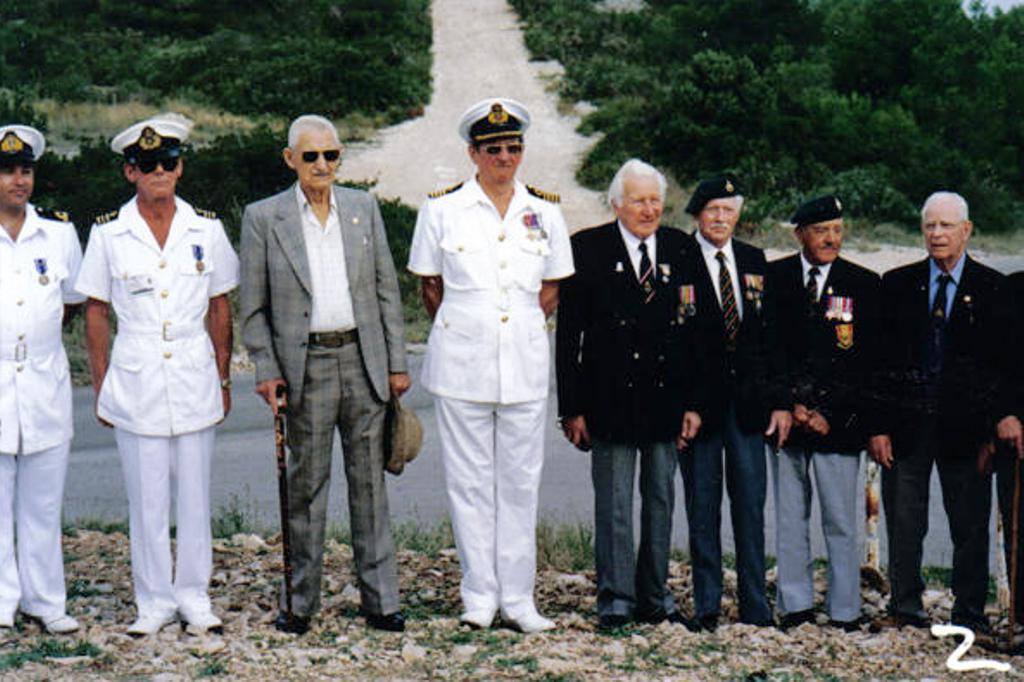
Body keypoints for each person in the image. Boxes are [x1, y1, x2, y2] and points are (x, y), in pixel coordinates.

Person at [407, 98, 573, 633]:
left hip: (522, 361)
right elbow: (430, 286)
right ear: (473, 153)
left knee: (521, 482)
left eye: (513, 147)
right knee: (469, 481)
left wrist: (514, 324)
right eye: (494, 148)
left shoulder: (545, 210)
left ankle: (520, 599)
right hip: (462, 363)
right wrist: (471, 325)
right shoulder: (442, 209)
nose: (505, 157)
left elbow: (551, 289)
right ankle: (479, 595)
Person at [239, 114, 409, 635]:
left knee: (369, 486)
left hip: (362, 361)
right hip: (305, 366)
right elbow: (253, 307)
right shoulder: (264, 218)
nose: (322, 165)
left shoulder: (363, 209)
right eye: (310, 156)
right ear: (290, 159)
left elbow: (386, 291)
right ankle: (300, 601)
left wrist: (397, 362)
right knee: (305, 487)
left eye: (331, 155)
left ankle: (381, 601)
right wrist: (266, 369)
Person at [75, 113, 238, 636]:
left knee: (194, 492)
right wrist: (102, 386)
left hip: (193, 372)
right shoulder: (108, 233)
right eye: (148, 165)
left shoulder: (206, 227)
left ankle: (194, 596)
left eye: (168, 162)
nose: (159, 172)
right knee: (146, 496)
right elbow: (96, 313)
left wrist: (223, 376)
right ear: (130, 173)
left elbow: (220, 307)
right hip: (136, 374)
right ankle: (153, 601)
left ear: (180, 167)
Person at [556, 159, 701, 631]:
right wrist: (571, 408)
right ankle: (615, 598)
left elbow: (695, 334)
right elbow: (569, 336)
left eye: (655, 199)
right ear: (617, 203)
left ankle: (654, 596)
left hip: (665, 402)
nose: (648, 208)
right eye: (638, 199)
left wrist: (693, 403)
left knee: (660, 502)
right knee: (614, 505)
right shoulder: (588, 248)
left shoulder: (681, 249)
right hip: (609, 403)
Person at [869, 191, 1021, 632]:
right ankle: (906, 608)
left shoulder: (994, 288)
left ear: (966, 230)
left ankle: (970, 613)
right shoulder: (896, 284)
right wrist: (877, 427)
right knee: (904, 522)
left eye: (946, 226)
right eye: (930, 226)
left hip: (967, 430)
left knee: (970, 526)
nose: (937, 234)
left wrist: (995, 426)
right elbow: (880, 364)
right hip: (907, 427)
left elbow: (1005, 365)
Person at [678, 174, 790, 630]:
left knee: (749, 507)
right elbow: (675, 342)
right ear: (698, 215)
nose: (720, 218)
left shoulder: (753, 259)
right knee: (702, 508)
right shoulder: (679, 259)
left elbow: (769, 340)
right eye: (712, 210)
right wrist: (682, 404)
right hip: (700, 408)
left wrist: (780, 402)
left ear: (737, 215)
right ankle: (706, 606)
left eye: (728, 210)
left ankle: (755, 606)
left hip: (748, 407)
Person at [768, 195, 880, 631]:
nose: (831, 238)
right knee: (790, 517)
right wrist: (788, 403)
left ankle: (844, 609)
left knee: (839, 519)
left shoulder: (864, 283)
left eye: (836, 229)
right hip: (787, 422)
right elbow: (766, 349)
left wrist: (827, 411)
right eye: (820, 231)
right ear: (800, 234)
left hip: (837, 425)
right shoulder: (774, 278)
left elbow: (866, 361)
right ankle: (794, 605)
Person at [0, 125, 83, 635]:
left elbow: (71, 304)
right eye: (7, 170)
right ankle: (2, 601)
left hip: (45, 380)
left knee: (42, 502)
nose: (18, 180)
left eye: (25, 170)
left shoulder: (58, 233)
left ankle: (46, 601)